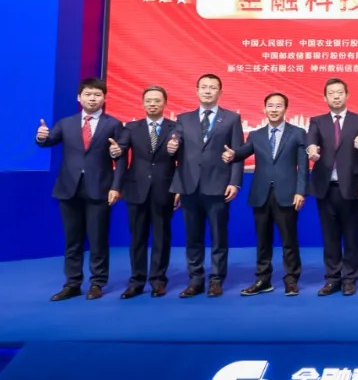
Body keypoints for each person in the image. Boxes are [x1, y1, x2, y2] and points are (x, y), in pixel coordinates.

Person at [35, 77, 123, 301]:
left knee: (98, 239)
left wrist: (116, 186)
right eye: (88, 94)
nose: (92, 98)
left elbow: (120, 156)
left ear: (104, 98)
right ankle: (72, 283)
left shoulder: (113, 124)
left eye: (97, 95)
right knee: (72, 240)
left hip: (99, 189)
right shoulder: (66, 123)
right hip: (69, 189)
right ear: (79, 97)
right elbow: (48, 140)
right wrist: (41, 137)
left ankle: (97, 283)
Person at [223, 93, 307, 296]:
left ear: (286, 109)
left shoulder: (298, 133)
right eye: (270, 106)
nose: (274, 109)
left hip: (287, 194)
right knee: (262, 240)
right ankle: (263, 279)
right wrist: (233, 154)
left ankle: (291, 280)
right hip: (261, 194)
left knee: (289, 240)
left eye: (278, 106)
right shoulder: (256, 134)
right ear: (264, 109)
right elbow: (243, 152)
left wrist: (300, 191)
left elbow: (303, 166)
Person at [167, 73, 243, 298]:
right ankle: (196, 280)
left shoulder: (231, 119)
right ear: (197, 91)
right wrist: (172, 146)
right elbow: (176, 146)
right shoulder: (183, 119)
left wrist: (235, 182)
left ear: (220, 92)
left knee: (219, 237)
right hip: (189, 186)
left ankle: (217, 280)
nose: (208, 91)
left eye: (212, 87)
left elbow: (237, 153)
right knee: (193, 237)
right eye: (204, 87)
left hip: (218, 186)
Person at [306, 78, 358, 297]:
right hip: (325, 187)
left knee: (351, 235)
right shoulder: (317, 121)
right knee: (330, 236)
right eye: (331, 93)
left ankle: (350, 278)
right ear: (325, 97)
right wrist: (311, 150)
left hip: (351, 187)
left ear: (347, 95)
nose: (336, 96)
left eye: (340, 92)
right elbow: (311, 141)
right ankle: (332, 278)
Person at [114, 85, 178, 299]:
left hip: (165, 190)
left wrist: (178, 188)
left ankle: (158, 281)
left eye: (157, 100)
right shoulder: (131, 127)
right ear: (142, 103)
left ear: (165, 103)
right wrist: (116, 150)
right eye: (148, 100)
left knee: (162, 237)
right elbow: (121, 149)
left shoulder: (175, 127)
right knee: (137, 238)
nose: (152, 104)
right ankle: (136, 282)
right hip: (136, 189)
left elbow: (183, 160)